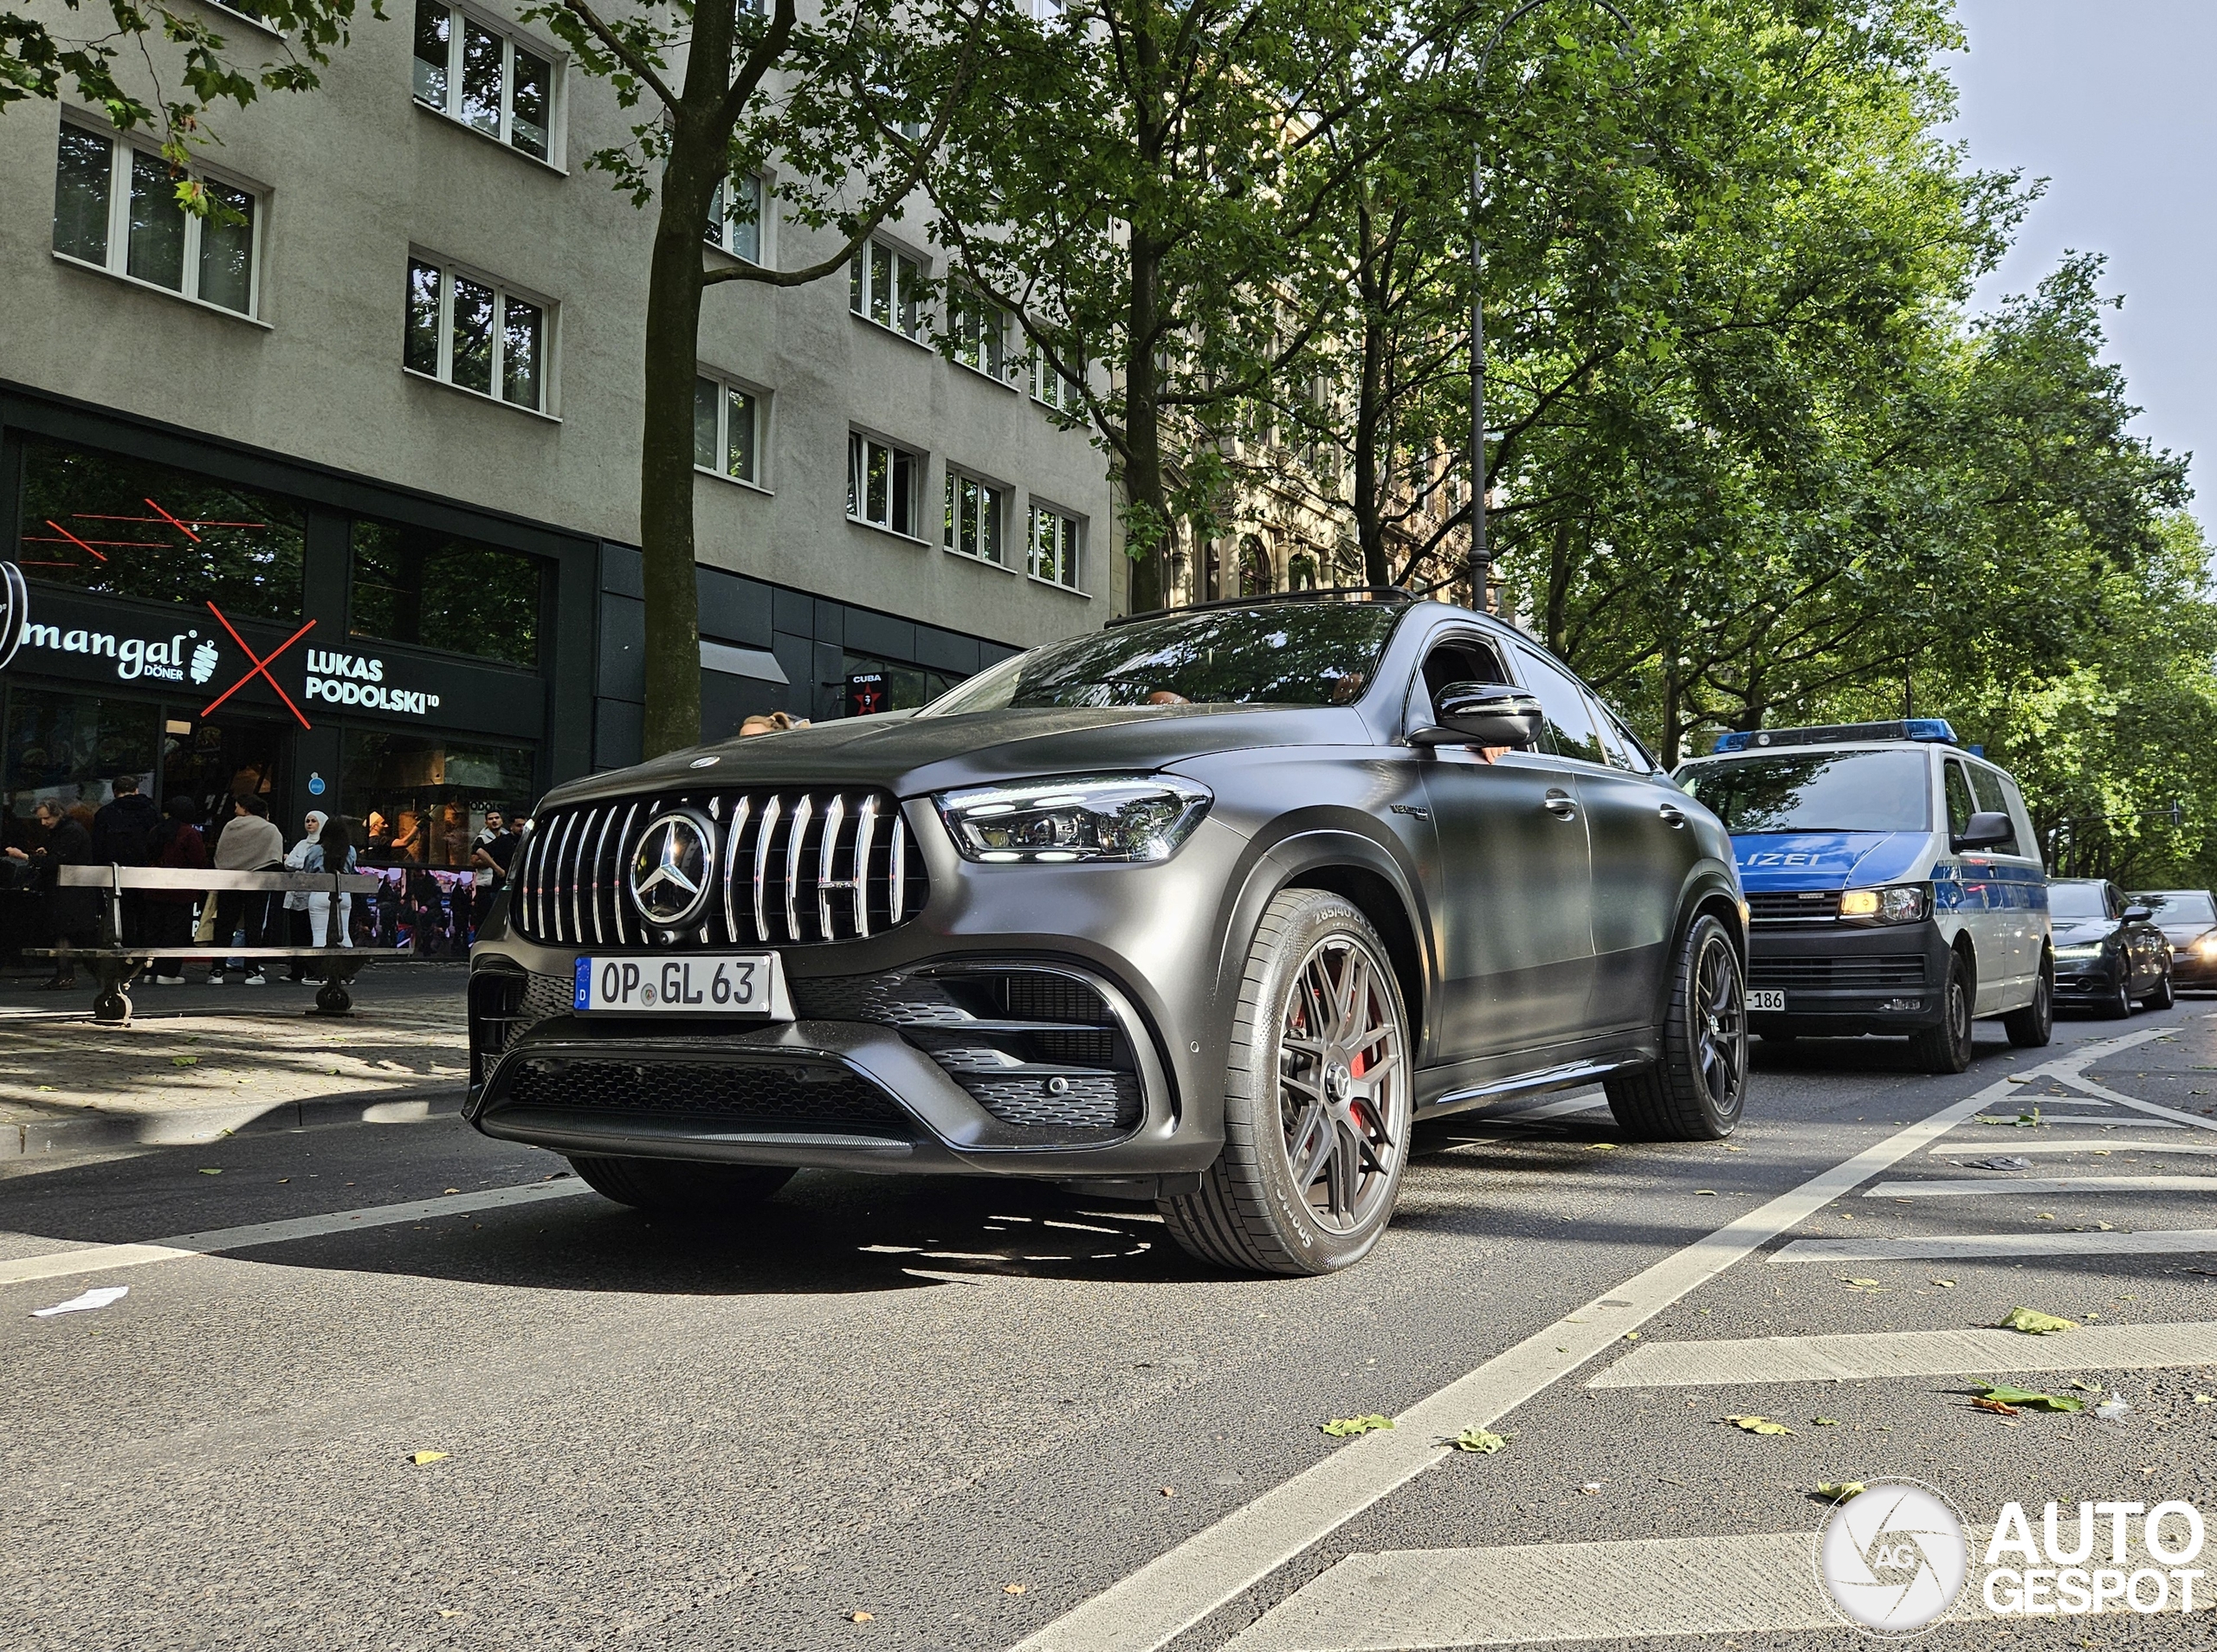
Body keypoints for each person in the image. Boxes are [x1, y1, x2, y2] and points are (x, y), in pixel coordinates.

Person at [21, 798, 98, 989]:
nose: (43, 823)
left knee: (68, 934)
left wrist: (26, 857)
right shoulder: (65, 830)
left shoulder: (70, 831)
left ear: (58, 814)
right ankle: (74, 975)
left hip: (71, 893)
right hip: (70, 892)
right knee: (71, 935)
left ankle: (69, 975)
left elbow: (58, 861)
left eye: (46, 818)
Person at [210, 795, 284, 986]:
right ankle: (252, 969)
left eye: (237, 806)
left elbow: (221, 853)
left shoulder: (231, 826)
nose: (235, 809)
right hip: (257, 883)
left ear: (246, 808)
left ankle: (217, 969)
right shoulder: (270, 829)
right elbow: (274, 858)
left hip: (230, 881)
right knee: (254, 926)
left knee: (224, 925)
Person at [143, 795, 209, 984]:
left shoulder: (156, 830)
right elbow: (199, 861)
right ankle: (168, 972)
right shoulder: (189, 833)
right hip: (181, 891)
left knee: (155, 930)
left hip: (154, 888)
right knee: (175, 932)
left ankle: (151, 971)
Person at [281, 811, 326, 983]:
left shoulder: (323, 845)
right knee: (296, 934)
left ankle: (312, 969)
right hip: (295, 894)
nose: (310, 824)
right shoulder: (301, 844)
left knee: (311, 933)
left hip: (313, 897)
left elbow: (311, 865)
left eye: (314, 821)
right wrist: (303, 862)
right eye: (307, 820)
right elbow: (288, 863)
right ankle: (296, 970)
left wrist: (300, 862)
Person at [304, 815, 357, 954]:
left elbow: (307, 870)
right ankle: (346, 971)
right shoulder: (351, 851)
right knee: (344, 932)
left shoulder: (316, 850)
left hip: (320, 894)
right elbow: (351, 869)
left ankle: (321, 972)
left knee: (320, 934)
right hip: (344, 893)